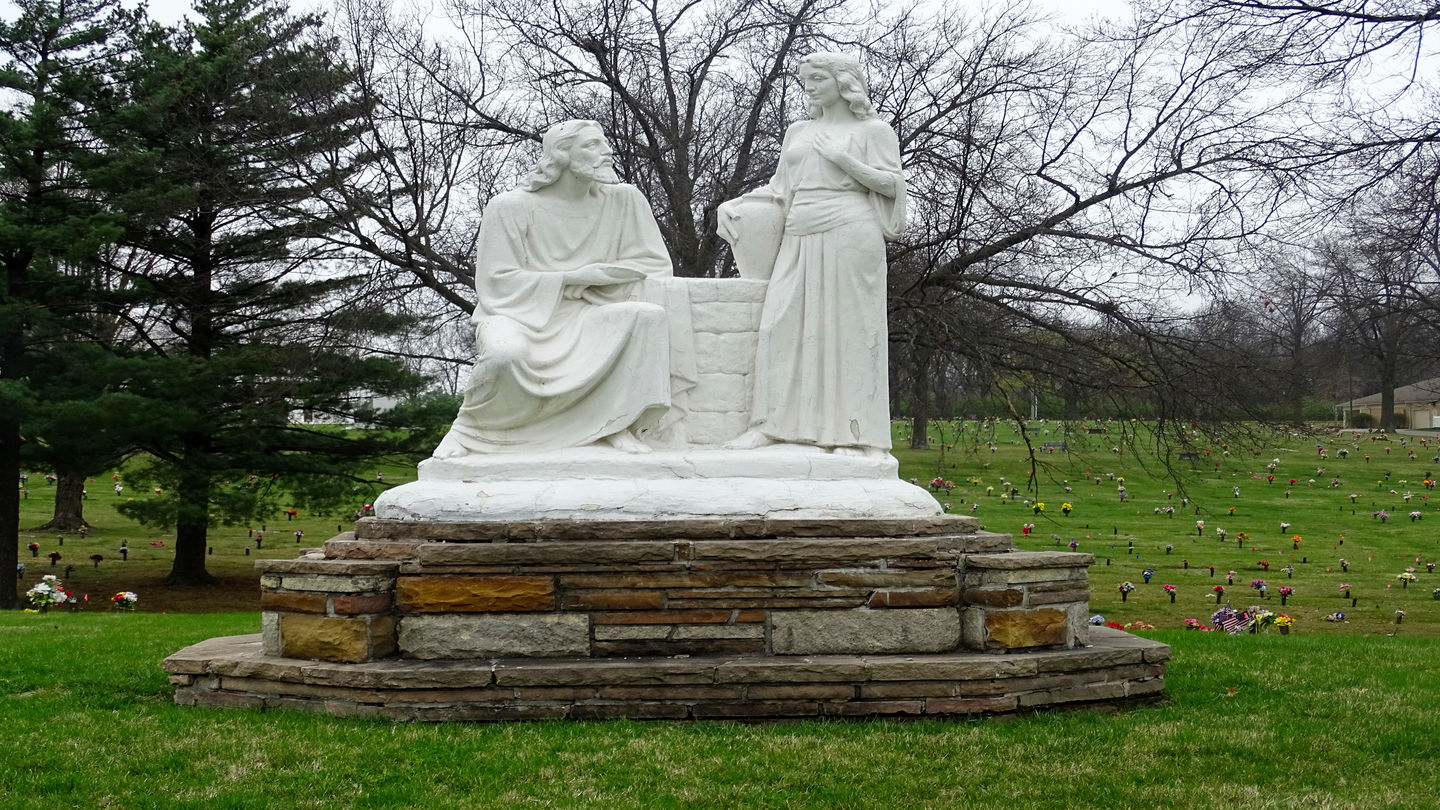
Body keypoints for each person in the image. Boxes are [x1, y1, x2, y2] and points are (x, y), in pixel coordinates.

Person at [433, 120, 692, 457]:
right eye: (592, 146)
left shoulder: (625, 201)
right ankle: (469, 432)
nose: (607, 152)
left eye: (605, 144)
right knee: (504, 355)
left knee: (647, 316)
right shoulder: (510, 207)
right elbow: (496, 283)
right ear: (561, 155)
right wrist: (576, 277)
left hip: (590, 310)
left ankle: (613, 423)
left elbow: (654, 266)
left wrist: (598, 284)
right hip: (521, 314)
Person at [720, 52, 905, 458]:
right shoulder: (798, 130)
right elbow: (780, 186)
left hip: (851, 229)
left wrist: (845, 161)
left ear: (843, 82)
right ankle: (769, 426)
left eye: (818, 78)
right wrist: (733, 204)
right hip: (800, 229)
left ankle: (856, 436)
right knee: (780, 326)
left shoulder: (873, 130)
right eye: (806, 78)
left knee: (851, 334)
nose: (810, 85)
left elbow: (892, 186)